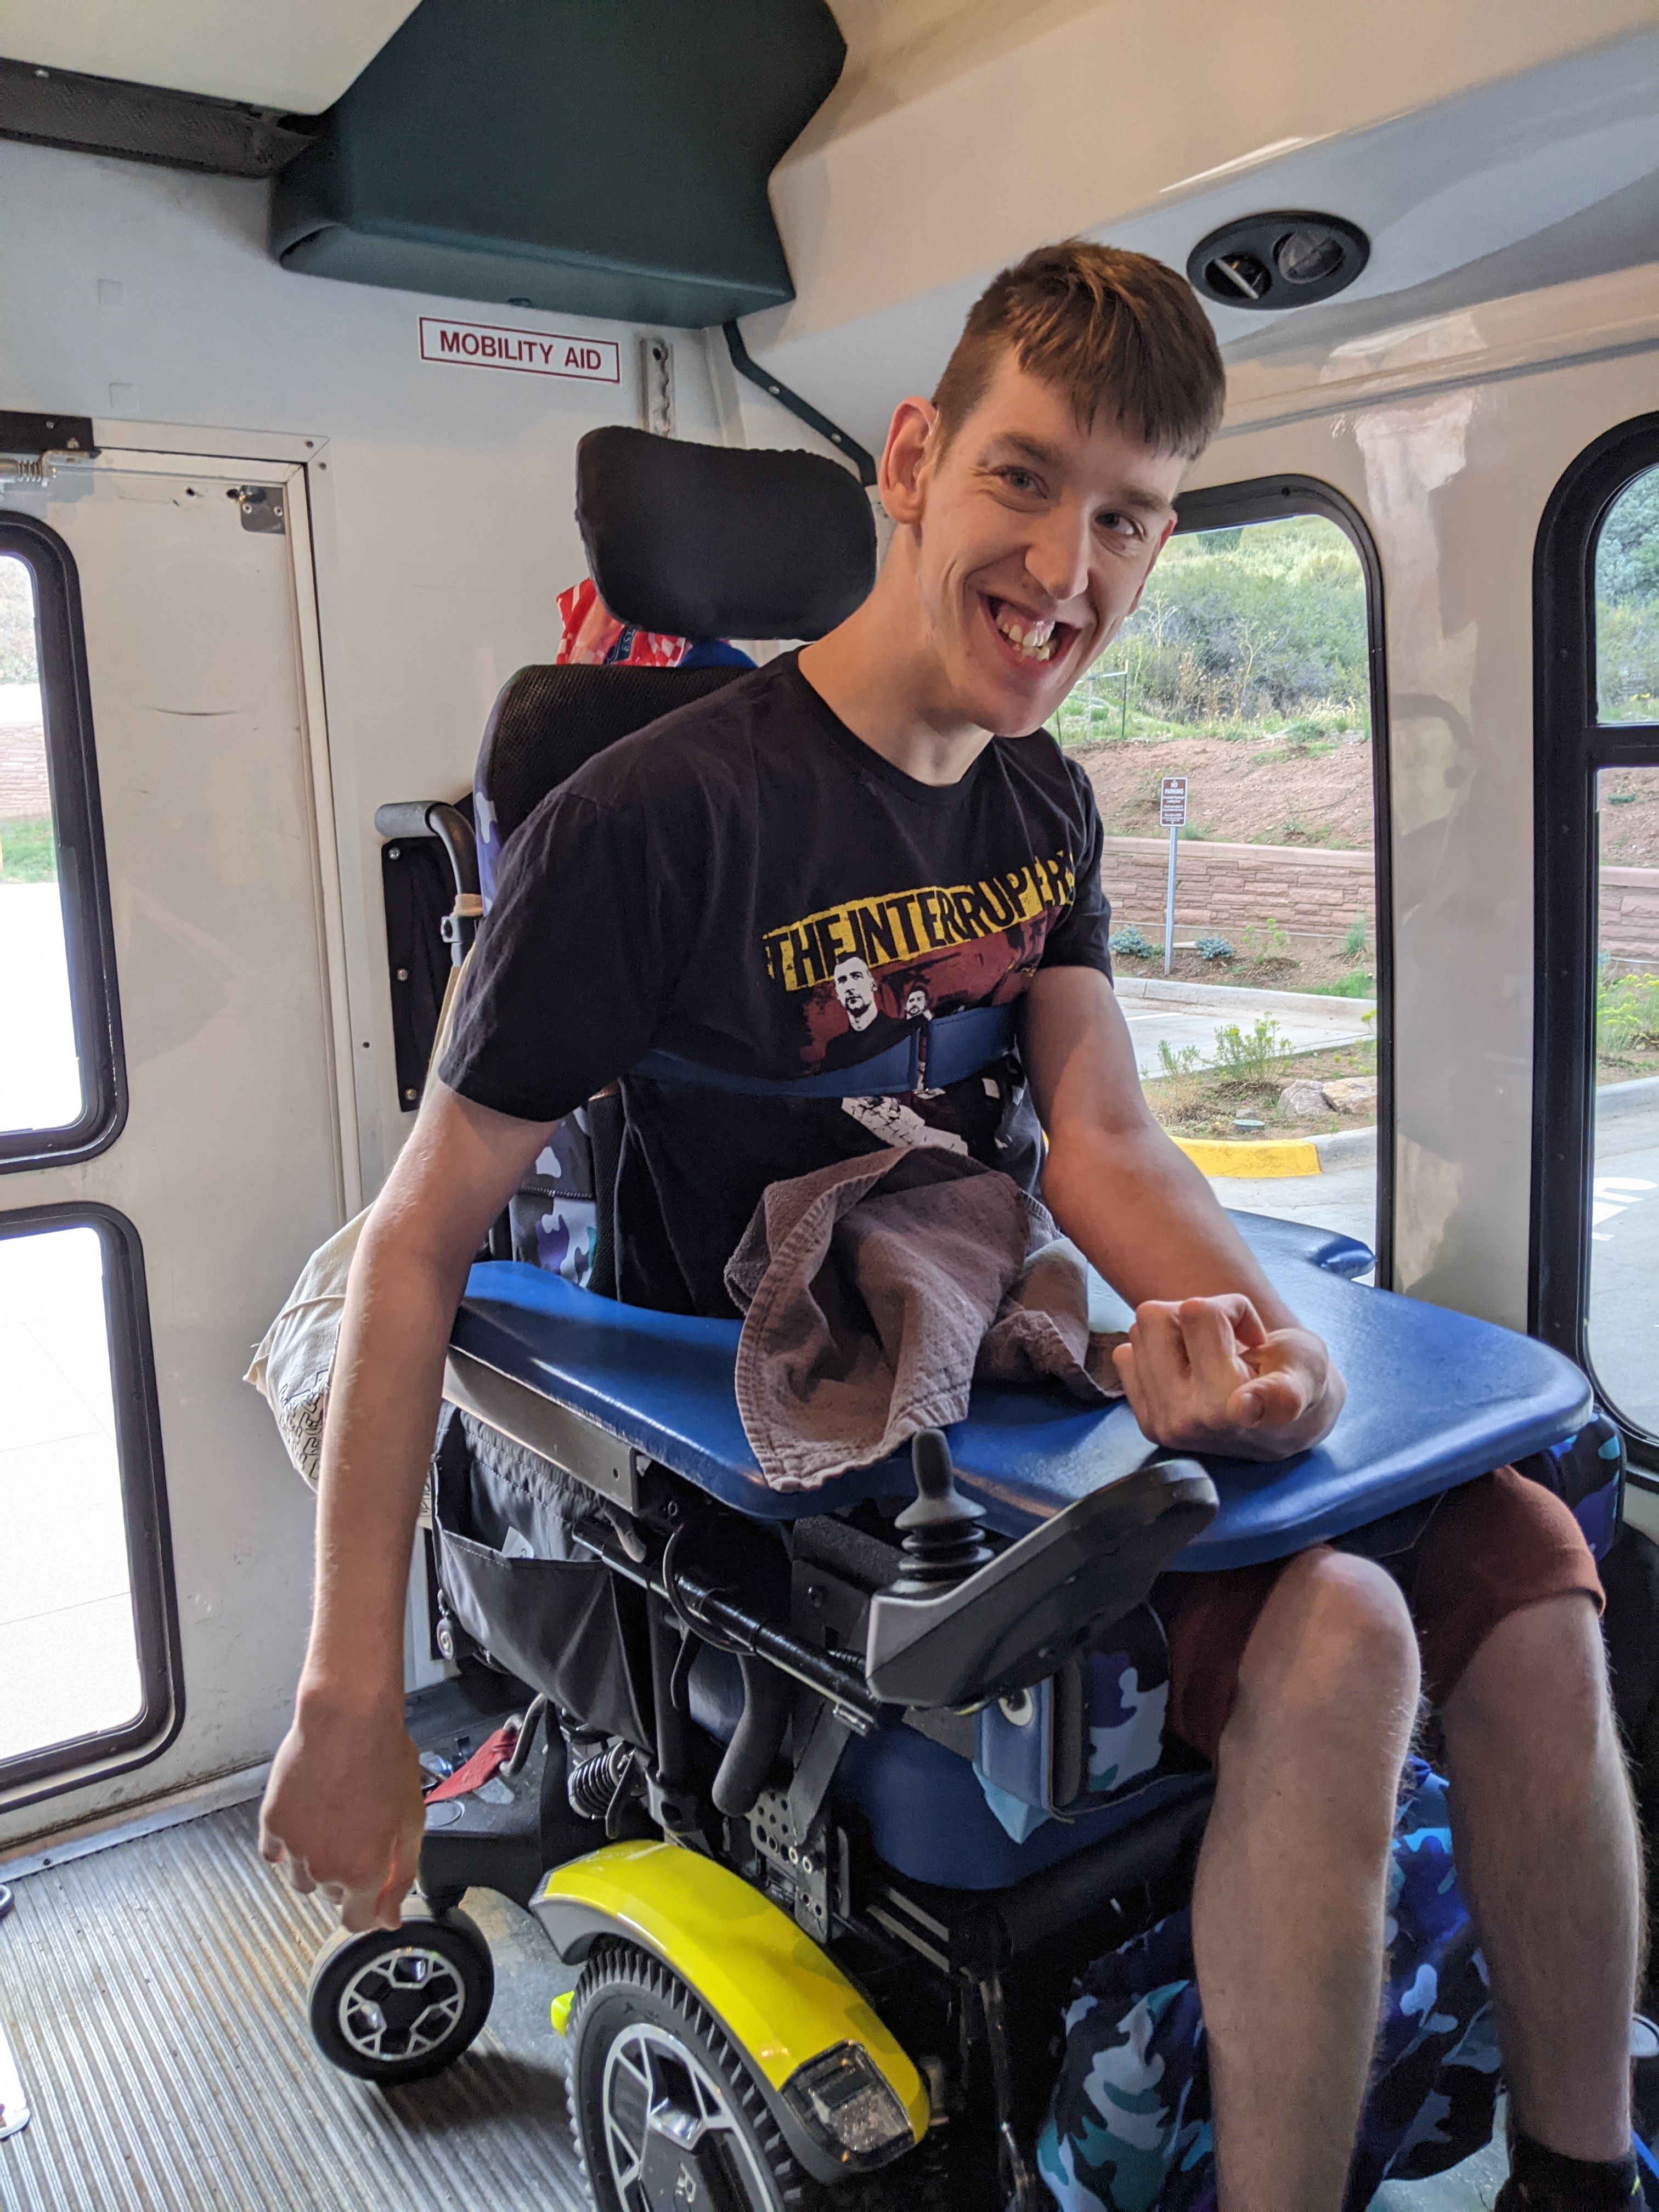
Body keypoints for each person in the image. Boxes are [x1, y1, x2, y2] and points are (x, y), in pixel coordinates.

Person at [259, 242, 1641, 2212]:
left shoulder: (1041, 803)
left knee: (1524, 1552)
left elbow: (1105, 1134)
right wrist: (342, 1709)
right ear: (910, 461)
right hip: (783, 1440)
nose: (1069, 566)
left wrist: (1266, 1349)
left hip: (1003, 1355)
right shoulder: (644, 824)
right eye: (1026, 479)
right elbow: (415, 1244)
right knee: (1335, 1626)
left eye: (1129, 521)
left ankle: (1580, 2177)